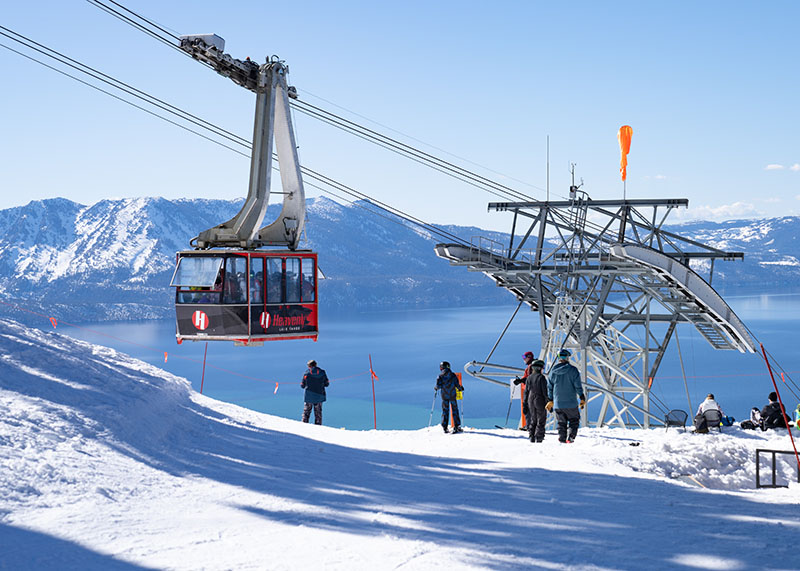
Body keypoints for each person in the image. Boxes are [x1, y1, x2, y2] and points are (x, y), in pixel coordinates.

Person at [546, 349, 585, 443]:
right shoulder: (573, 370)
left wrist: (550, 400)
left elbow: (550, 387)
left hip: (558, 403)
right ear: (568, 357)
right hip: (571, 403)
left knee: (561, 422)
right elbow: (577, 386)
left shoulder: (553, 371)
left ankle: (561, 438)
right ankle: (571, 437)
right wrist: (581, 397)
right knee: (574, 420)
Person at [523, 359, 548, 443]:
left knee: (533, 419)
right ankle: (539, 437)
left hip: (530, 400)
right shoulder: (541, 378)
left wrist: (524, 404)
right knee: (541, 419)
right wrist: (548, 402)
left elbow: (526, 391)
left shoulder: (529, 377)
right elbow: (544, 392)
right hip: (539, 399)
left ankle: (531, 436)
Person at [436, 361, 463, 433]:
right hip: (452, 395)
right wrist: (460, 388)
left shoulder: (440, 376)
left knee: (445, 411)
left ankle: (445, 427)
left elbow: (438, 386)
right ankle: (457, 426)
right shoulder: (453, 375)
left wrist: (436, 388)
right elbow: (457, 385)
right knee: (455, 410)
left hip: (444, 396)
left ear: (442, 368)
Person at [301, 359, 329, 425]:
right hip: (319, 396)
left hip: (309, 396)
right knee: (318, 413)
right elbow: (327, 384)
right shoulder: (322, 372)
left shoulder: (306, 373)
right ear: (315, 365)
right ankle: (318, 427)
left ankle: (303, 426)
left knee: (306, 413)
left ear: (309, 366)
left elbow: (302, 385)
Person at [513, 351, 535, 428]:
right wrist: (521, 380)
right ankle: (530, 425)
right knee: (530, 407)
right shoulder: (532, 366)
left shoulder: (530, 367)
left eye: (524, 357)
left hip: (529, 390)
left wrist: (520, 381)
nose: (524, 359)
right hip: (532, 390)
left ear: (529, 357)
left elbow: (529, 378)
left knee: (528, 407)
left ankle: (529, 425)